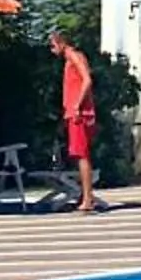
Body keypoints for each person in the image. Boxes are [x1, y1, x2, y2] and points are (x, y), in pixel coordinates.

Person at [50, 29, 99, 213]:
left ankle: (87, 198)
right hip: (74, 113)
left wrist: (77, 105)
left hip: (78, 113)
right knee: (79, 155)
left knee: (82, 155)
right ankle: (86, 195)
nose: (52, 49)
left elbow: (87, 80)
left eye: (53, 45)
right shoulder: (71, 59)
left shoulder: (73, 57)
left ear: (62, 43)